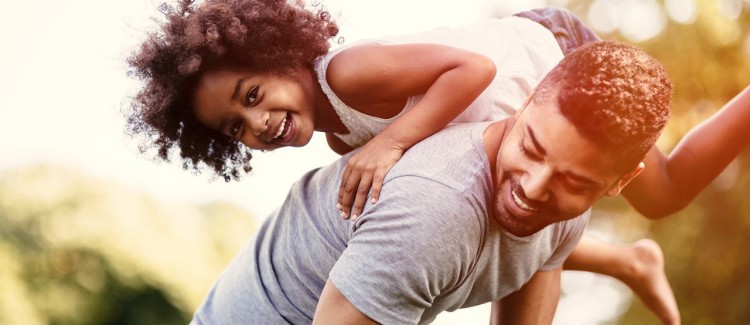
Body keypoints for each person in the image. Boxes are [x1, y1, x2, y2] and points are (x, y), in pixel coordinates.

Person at [125, 1, 684, 322]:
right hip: (517, 115)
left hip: (540, 52)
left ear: (275, 57)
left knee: (663, 191)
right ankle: (624, 261)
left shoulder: (347, 74)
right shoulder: (348, 145)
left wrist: (391, 144)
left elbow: (473, 70)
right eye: (235, 128)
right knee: (507, 204)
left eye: (252, 97)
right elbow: (441, 216)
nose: (257, 124)